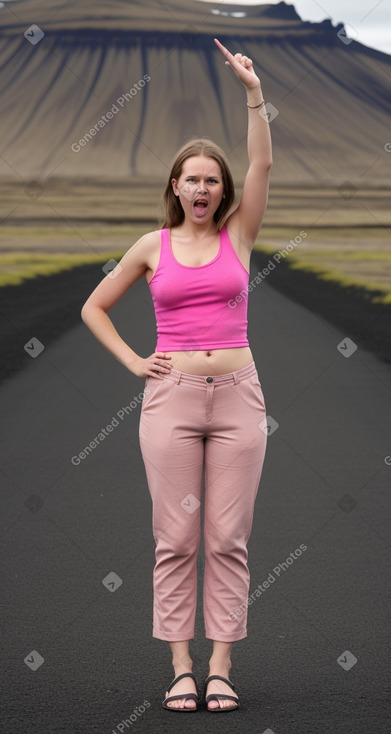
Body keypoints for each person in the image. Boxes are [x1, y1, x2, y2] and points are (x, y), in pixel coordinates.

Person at [81, 37, 272, 713]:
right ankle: (180, 667)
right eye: (190, 178)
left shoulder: (238, 236)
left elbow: (262, 162)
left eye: (211, 179)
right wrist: (135, 360)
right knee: (176, 538)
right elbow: (94, 307)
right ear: (174, 185)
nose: (202, 187)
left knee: (227, 537)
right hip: (171, 399)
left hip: (239, 400)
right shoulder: (150, 246)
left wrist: (252, 92)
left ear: (222, 190)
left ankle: (221, 666)